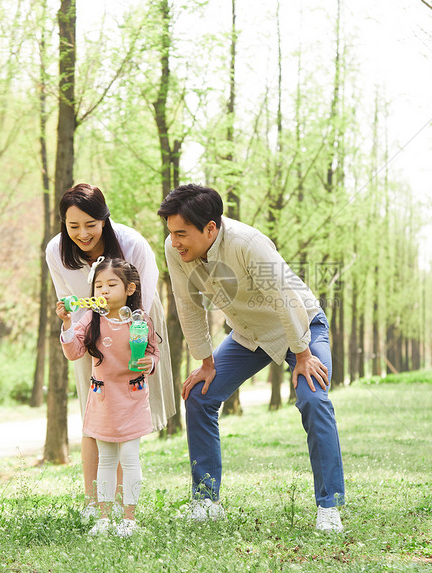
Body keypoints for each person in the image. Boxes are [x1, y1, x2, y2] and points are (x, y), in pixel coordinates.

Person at [158, 183, 346, 533]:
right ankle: (205, 500)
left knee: (313, 398)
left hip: (301, 326)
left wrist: (303, 353)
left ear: (210, 228)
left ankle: (329, 505)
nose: (175, 241)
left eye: (182, 233)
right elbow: (188, 304)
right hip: (249, 334)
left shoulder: (248, 244)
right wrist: (206, 362)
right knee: (199, 396)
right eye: (171, 232)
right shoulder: (175, 249)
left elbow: (285, 298)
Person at [45, 183, 175, 513]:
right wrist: (81, 332)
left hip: (133, 325)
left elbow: (141, 304)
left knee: (124, 415)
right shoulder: (55, 251)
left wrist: (139, 348)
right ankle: (95, 501)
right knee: (94, 414)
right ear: (64, 224)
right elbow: (69, 304)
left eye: (90, 224)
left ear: (104, 219)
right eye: (73, 226)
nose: (82, 234)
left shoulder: (133, 244)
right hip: (87, 329)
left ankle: (121, 501)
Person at [57, 258, 159, 537]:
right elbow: (73, 351)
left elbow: (153, 353)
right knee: (106, 459)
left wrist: (149, 363)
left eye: (111, 285)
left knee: (129, 458)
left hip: (132, 398)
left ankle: (129, 519)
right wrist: (67, 322)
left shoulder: (139, 320)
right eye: (98, 285)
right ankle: (104, 517)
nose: (103, 290)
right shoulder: (91, 319)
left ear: (129, 289)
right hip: (103, 399)